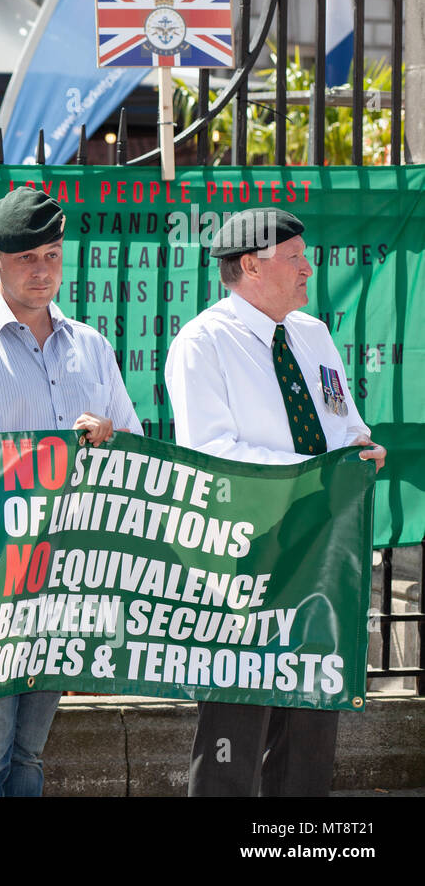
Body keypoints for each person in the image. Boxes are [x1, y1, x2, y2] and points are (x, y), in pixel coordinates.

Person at [0, 186, 141, 797]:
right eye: (26, 259)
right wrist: (50, 452)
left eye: (52, 254)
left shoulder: (90, 345)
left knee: (29, 754)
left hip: (65, 571)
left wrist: (108, 436)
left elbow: (136, 447)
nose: (42, 271)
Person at [165, 207, 385, 797]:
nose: (308, 268)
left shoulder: (311, 334)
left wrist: (359, 451)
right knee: (236, 721)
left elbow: (344, 424)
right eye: (295, 258)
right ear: (250, 267)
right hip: (248, 556)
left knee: (312, 717)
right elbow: (213, 455)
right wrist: (317, 474)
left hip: (321, 549)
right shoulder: (202, 343)